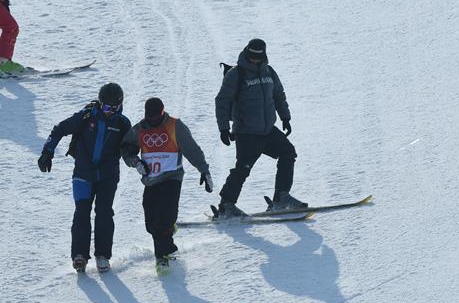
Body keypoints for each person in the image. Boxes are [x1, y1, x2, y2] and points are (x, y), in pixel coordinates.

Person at [38, 83, 131, 274]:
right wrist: (48, 152)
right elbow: (59, 129)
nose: (110, 112)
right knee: (82, 212)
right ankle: (79, 255)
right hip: (83, 174)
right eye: (107, 108)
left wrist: (140, 161)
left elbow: (131, 146)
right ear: (100, 103)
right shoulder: (86, 116)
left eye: (115, 108)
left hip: (108, 176)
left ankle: (103, 255)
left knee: (104, 212)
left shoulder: (122, 123)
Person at [214, 38, 306, 217]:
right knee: (242, 169)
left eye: (258, 57)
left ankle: (281, 197)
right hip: (246, 132)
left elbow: (278, 94)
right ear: (247, 53)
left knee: (288, 153)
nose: (254, 60)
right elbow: (222, 101)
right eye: (251, 56)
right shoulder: (236, 74)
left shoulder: (269, 71)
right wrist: (223, 128)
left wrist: (285, 117)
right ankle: (226, 206)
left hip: (267, 130)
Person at [121, 98, 213, 273]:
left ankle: (162, 258)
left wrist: (204, 171)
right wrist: (136, 162)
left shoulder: (174, 126)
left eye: (157, 117)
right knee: (151, 223)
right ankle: (169, 230)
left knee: (164, 218)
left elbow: (192, 150)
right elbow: (126, 147)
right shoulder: (140, 129)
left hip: (172, 177)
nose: (153, 121)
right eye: (150, 117)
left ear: (163, 112)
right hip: (151, 180)